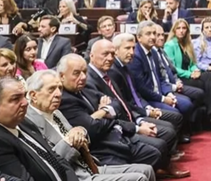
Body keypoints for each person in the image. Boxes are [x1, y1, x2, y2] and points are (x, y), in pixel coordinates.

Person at [24, 69, 156, 181]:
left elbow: (81, 135)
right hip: (75, 175)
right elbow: (49, 164)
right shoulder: (29, 123)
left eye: (60, 88)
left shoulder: (56, 112)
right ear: (33, 95)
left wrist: (81, 131)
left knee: (147, 170)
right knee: (139, 178)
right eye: (51, 89)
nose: (58, 94)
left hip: (90, 165)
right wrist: (69, 141)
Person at [55, 54, 164, 171]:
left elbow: (116, 103)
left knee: (154, 152)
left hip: (116, 136)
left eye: (85, 72)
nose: (83, 77)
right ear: (62, 76)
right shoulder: (65, 99)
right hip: (101, 149)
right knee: (147, 163)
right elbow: (92, 128)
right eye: (76, 73)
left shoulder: (83, 88)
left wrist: (101, 112)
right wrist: (104, 113)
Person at [88, 39, 183, 168]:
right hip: (116, 132)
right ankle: (159, 169)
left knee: (168, 129)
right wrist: (137, 127)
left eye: (112, 54)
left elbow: (121, 103)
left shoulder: (107, 74)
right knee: (161, 141)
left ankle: (161, 168)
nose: (110, 58)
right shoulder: (91, 80)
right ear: (91, 55)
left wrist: (139, 120)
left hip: (130, 119)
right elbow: (112, 112)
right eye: (105, 54)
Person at [0, 77, 79, 180]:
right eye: (16, 99)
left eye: (24, 96)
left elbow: (56, 158)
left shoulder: (20, 120)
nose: (25, 103)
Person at [164, 19, 211, 131]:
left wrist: (196, 71)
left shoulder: (188, 44)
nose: (181, 31)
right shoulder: (170, 45)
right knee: (206, 85)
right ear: (174, 30)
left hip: (190, 75)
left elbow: (193, 63)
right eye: (178, 28)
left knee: (209, 76)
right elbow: (173, 68)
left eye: (184, 28)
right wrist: (190, 73)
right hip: (179, 78)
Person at [127, 22, 195, 126]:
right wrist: (163, 99)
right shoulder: (136, 56)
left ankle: (185, 131)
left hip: (160, 93)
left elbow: (161, 78)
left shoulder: (154, 52)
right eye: (148, 34)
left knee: (186, 103)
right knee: (176, 113)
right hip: (148, 99)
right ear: (139, 38)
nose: (153, 37)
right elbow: (142, 89)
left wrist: (168, 93)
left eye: (154, 33)